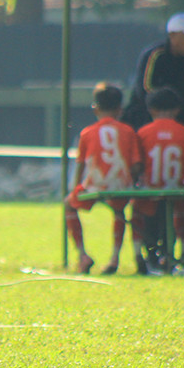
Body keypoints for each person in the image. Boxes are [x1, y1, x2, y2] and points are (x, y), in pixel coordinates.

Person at [65, 83, 143, 275]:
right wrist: (130, 182)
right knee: (119, 210)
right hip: (121, 186)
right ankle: (115, 258)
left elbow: (81, 164)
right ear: (120, 109)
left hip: (94, 186)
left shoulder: (87, 133)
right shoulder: (128, 131)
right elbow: (136, 165)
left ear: (95, 108)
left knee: (69, 205)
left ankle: (83, 255)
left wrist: (75, 188)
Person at [122, 12, 184, 133]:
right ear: (172, 36)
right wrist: (183, 103)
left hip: (180, 126)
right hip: (147, 124)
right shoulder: (156, 55)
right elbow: (145, 90)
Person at [130, 87, 184, 274]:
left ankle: (147, 257)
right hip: (176, 191)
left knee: (143, 220)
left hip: (149, 191)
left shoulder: (143, 132)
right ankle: (173, 255)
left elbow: (138, 164)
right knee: (174, 222)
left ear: (151, 110)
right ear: (177, 110)